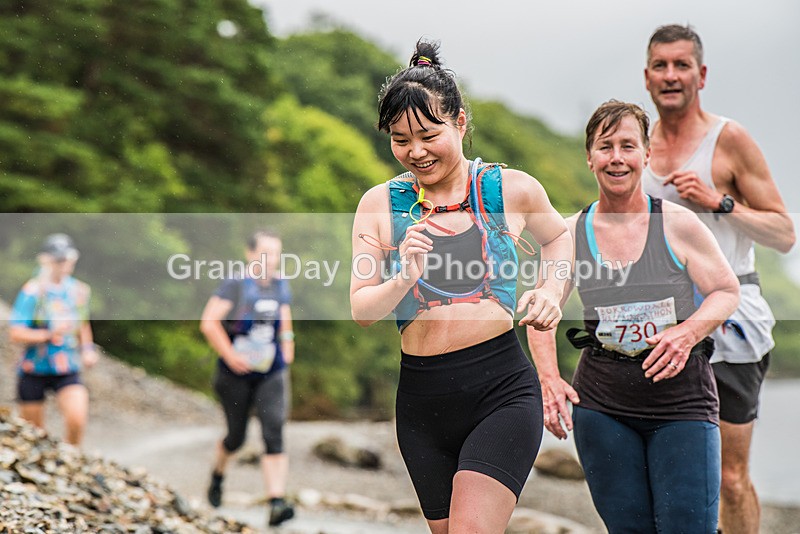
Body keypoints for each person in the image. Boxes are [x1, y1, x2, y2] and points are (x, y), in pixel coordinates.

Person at [350, 39, 572, 534]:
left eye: (429, 135)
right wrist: (403, 275)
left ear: (461, 123)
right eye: (400, 139)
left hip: (501, 391)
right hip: (420, 403)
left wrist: (550, 293)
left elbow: (559, 239)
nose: (416, 152)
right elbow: (362, 309)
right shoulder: (379, 205)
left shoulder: (510, 189)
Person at [528, 100, 741, 533]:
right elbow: (541, 306)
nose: (617, 158)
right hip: (604, 407)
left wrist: (687, 332)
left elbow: (726, 291)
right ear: (590, 157)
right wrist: (549, 379)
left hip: (682, 404)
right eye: (605, 147)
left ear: (647, 155)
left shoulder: (678, 225)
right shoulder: (569, 233)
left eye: (628, 146)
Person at [641, 24, 796, 534]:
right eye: (660, 65)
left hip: (730, 323)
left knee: (730, 477)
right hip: (657, 324)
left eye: (681, 65)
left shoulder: (728, 140)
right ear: (646, 77)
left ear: (701, 75)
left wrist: (719, 202)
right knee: (661, 471)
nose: (671, 75)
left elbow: (784, 234)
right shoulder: (635, 145)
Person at [199, 229, 296, 527]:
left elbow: (284, 316)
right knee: (236, 437)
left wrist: (288, 343)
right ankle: (217, 476)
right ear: (251, 254)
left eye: (276, 254)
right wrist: (230, 356)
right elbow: (209, 321)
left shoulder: (280, 284)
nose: (271, 260)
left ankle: (276, 502)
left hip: (271, 371)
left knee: (274, 431)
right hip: (234, 374)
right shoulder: (235, 284)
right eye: (265, 253)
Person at [9, 233, 99, 446]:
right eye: (59, 260)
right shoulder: (33, 291)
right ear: (46, 260)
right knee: (34, 435)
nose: (64, 265)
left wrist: (87, 348)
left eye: (67, 259)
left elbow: (83, 324)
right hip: (34, 369)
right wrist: (48, 335)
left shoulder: (78, 290)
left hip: (66, 367)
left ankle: (70, 460)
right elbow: (15, 333)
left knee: (77, 419)